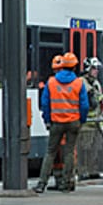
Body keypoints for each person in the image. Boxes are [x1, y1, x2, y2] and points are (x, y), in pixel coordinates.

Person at [33, 52, 88, 194]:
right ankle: (65, 184)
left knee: (50, 152)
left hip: (56, 122)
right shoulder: (78, 83)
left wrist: (47, 119)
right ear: (75, 67)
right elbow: (84, 105)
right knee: (69, 153)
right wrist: (81, 120)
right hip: (73, 122)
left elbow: (45, 103)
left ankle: (41, 184)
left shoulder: (51, 82)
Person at [77, 57, 103, 180]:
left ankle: (93, 170)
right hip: (86, 124)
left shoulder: (96, 83)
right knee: (84, 149)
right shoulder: (81, 82)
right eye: (94, 69)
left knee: (95, 149)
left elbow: (100, 99)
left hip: (96, 122)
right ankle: (82, 171)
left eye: (97, 69)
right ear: (88, 69)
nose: (96, 71)